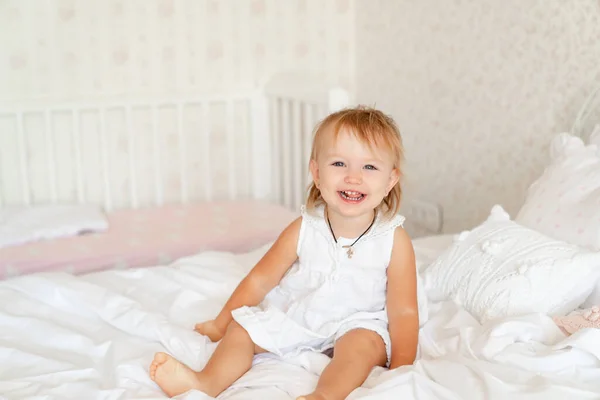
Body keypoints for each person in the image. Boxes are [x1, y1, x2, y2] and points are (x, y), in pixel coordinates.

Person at [149, 106, 423, 400]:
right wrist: (221, 323)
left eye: (369, 167)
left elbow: (404, 311)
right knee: (242, 330)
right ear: (317, 173)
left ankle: (325, 396)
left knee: (361, 347)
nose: (353, 177)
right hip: (303, 313)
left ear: (390, 180)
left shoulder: (393, 239)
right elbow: (260, 280)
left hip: (358, 321)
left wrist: (400, 369)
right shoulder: (305, 228)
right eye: (340, 164)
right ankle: (206, 382)